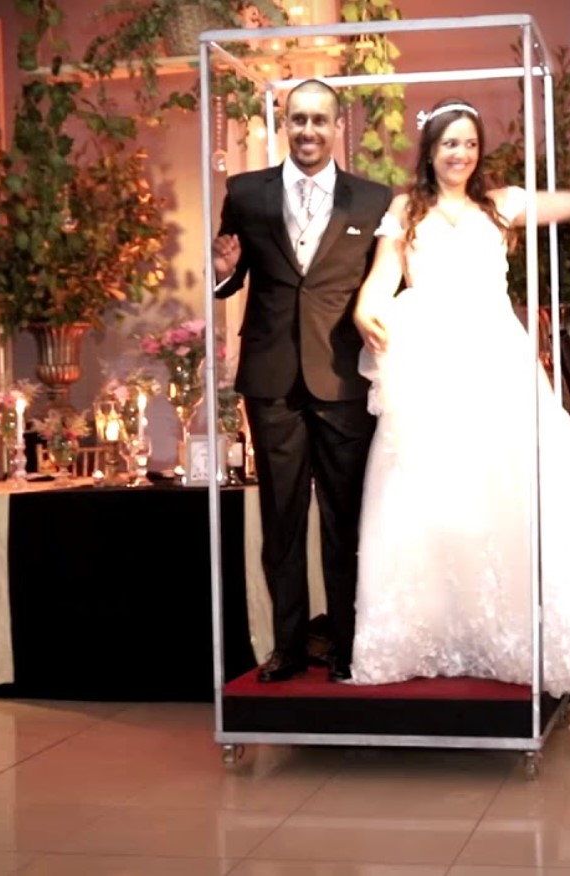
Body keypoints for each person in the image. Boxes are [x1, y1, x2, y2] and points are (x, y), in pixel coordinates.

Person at [344, 99, 570, 696]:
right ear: (430, 150)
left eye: (469, 143)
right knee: (434, 502)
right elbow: (377, 285)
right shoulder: (405, 210)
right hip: (430, 369)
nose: (460, 154)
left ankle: (511, 633)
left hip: (496, 362)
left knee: (511, 493)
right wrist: (367, 312)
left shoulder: (502, 205)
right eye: (449, 143)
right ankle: (437, 632)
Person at [211, 79, 394, 683]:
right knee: (281, 521)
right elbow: (231, 275)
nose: (308, 130)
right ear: (284, 125)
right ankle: (287, 647)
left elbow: (385, 284)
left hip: (344, 380)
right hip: (272, 381)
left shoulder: (373, 199)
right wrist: (221, 271)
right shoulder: (246, 193)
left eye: (319, 120)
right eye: (298, 120)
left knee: (346, 522)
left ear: (337, 126)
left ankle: (346, 645)